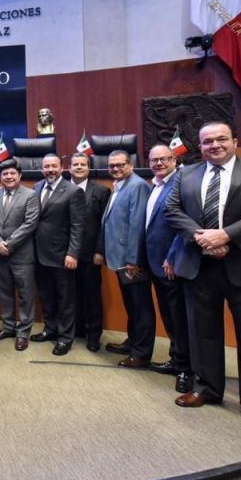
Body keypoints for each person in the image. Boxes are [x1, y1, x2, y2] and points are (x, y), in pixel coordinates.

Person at [166, 121, 241, 440]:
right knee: (203, 333)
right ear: (200, 146)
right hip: (200, 264)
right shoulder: (186, 174)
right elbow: (172, 210)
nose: (214, 145)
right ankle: (208, 388)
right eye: (207, 141)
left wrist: (227, 236)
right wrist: (201, 238)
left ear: (235, 140)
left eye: (221, 139)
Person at [97, 150, 154, 369]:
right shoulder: (119, 186)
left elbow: (137, 225)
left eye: (120, 165)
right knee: (132, 304)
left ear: (130, 164)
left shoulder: (137, 186)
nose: (115, 169)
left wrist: (133, 260)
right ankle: (133, 342)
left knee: (140, 307)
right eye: (112, 166)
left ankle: (141, 353)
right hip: (121, 259)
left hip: (132, 261)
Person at [143, 145, 193, 393]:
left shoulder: (180, 184)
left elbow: (182, 225)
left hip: (170, 263)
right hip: (155, 262)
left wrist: (172, 257)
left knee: (178, 317)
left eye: (164, 159)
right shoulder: (156, 185)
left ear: (174, 159)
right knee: (169, 315)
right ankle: (176, 358)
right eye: (154, 160)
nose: (159, 163)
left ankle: (186, 368)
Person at [30, 153, 85, 356]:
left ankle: (65, 338)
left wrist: (72, 253)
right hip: (39, 254)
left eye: (54, 166)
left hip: (62, 256)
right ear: (42, 169)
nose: (50, 170)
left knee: (65, 299)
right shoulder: (36, 187)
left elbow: (78, 226)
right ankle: (50, 329)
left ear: (61, 168)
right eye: (46, 167)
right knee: (46, 296)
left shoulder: (73, 191)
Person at [0, 158, 39, 351]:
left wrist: (9, 243)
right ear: (0, 177)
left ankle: (23, 332)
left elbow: (30, 224)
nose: (8, 177)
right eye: (5, 174)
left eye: (12, 173)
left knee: (25, 295)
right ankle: (8, 327)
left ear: (19, 175)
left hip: (21, 255)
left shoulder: (31, 195)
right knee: (4, 292)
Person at [68, 152, 111, 351]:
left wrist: (100, 250)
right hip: (65, 254)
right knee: (71, 294)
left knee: (92, 296)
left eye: (82, 164)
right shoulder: (62, 189)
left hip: (90, 253)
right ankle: (76, 330)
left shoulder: (101, 191)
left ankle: (93, 334)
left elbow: (105, 224)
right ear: (69, 168)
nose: (78, 167)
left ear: (88, 168)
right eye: (75, 164)